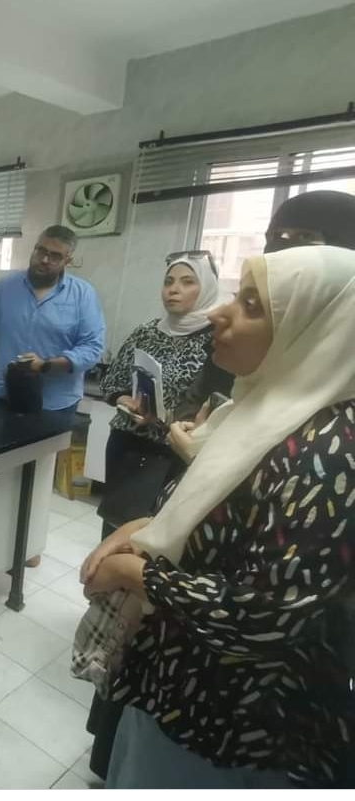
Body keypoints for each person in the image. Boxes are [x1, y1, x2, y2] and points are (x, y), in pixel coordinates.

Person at [80, 246, 355, 788]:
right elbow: (223, 513)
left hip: (232, 721)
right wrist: (143, 528)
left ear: (315, 330)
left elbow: (267, 617)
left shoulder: (333, 452)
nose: (218, 312)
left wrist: (137, 573)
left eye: (251, 304)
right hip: (172, 679)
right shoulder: (262, 405)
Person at [85, 250, 224, 779]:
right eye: (169, 281)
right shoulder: (146, 330)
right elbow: (113, 381)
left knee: (150, 549)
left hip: (171, 456)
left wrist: (164, 421)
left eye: (187, 282)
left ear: (205, 289)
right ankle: (103, 628)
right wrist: (126, 399)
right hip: (129, 447)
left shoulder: (216, 339)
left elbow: (212, 412)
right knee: (113, 535)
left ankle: (130, 635)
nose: (174, 290)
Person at [171, 189, 355, 432]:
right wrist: (199, 431)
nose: (281, 246)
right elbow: (200, 395)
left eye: (304, 236)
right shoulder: (239, 335)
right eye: (275, 236)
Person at [0, 224, 106, 413]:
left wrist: (46, 365)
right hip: (5, 398)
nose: (44, 260)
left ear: (67, 260)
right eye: (41, 251)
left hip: (55, 405)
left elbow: (92, 348)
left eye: (55, 256)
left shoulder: (82, 294)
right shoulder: (4, 289)